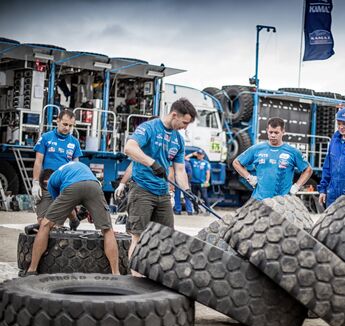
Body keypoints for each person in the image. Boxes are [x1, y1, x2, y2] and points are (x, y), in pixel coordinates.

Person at [124, 98, 197, 273]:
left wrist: (187, 191)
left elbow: (180, 170)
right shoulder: (149, 128)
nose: (185, 127)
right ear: (174, 115)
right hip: (142, 189)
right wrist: (152, 163)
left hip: (162, 192)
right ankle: (135, 281)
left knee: (166, 238)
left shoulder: (178, 140)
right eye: (184, 122)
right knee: (138, 237)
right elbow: (129, 147)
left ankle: (158, 278)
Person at [24, 161, 119, 275]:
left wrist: (74, 220)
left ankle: (32, 269)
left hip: (72, 187)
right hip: (94, 185)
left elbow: (65, 208)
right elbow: (89, 187)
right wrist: (90, 211)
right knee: (107, 229)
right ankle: (116, 273)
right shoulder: (76, 167)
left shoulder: (51, 183)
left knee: (45, 224)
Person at [233, 117, 313, 200]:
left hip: (282, 202)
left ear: (283, 132)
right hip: (259, 200)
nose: (273, 135)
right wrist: (250, 178)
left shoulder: (293, 152)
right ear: (267, 130)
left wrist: (296, 186)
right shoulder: (257, 149)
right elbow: (236, 163)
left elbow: (308, 170)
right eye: (270, 132)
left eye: (276, 132)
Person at [31, 109, 82, 228]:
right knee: (41, 222)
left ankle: (74, 218)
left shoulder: (74, 142)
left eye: (70, 125)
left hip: (63, 184)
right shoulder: (46, 138)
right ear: (57, 121)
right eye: (65, 124)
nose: (67, 128)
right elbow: (38, 161)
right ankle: (74, 217)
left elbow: (76, 167)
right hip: (46, 182)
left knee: (56, 225)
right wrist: (35, 183)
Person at [186, 149, 211, 214]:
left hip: (202, 183)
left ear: (203, 155)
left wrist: (207, 181)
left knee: (204, 196)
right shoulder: (193, 161)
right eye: (198, 154)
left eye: (201, 154)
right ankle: (196, 210)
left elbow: (208, 173)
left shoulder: (206, 163)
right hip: (194, 182)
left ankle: (208, 210)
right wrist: (192, 154)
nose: (199, 155)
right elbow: (185, 158)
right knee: (194, 197)